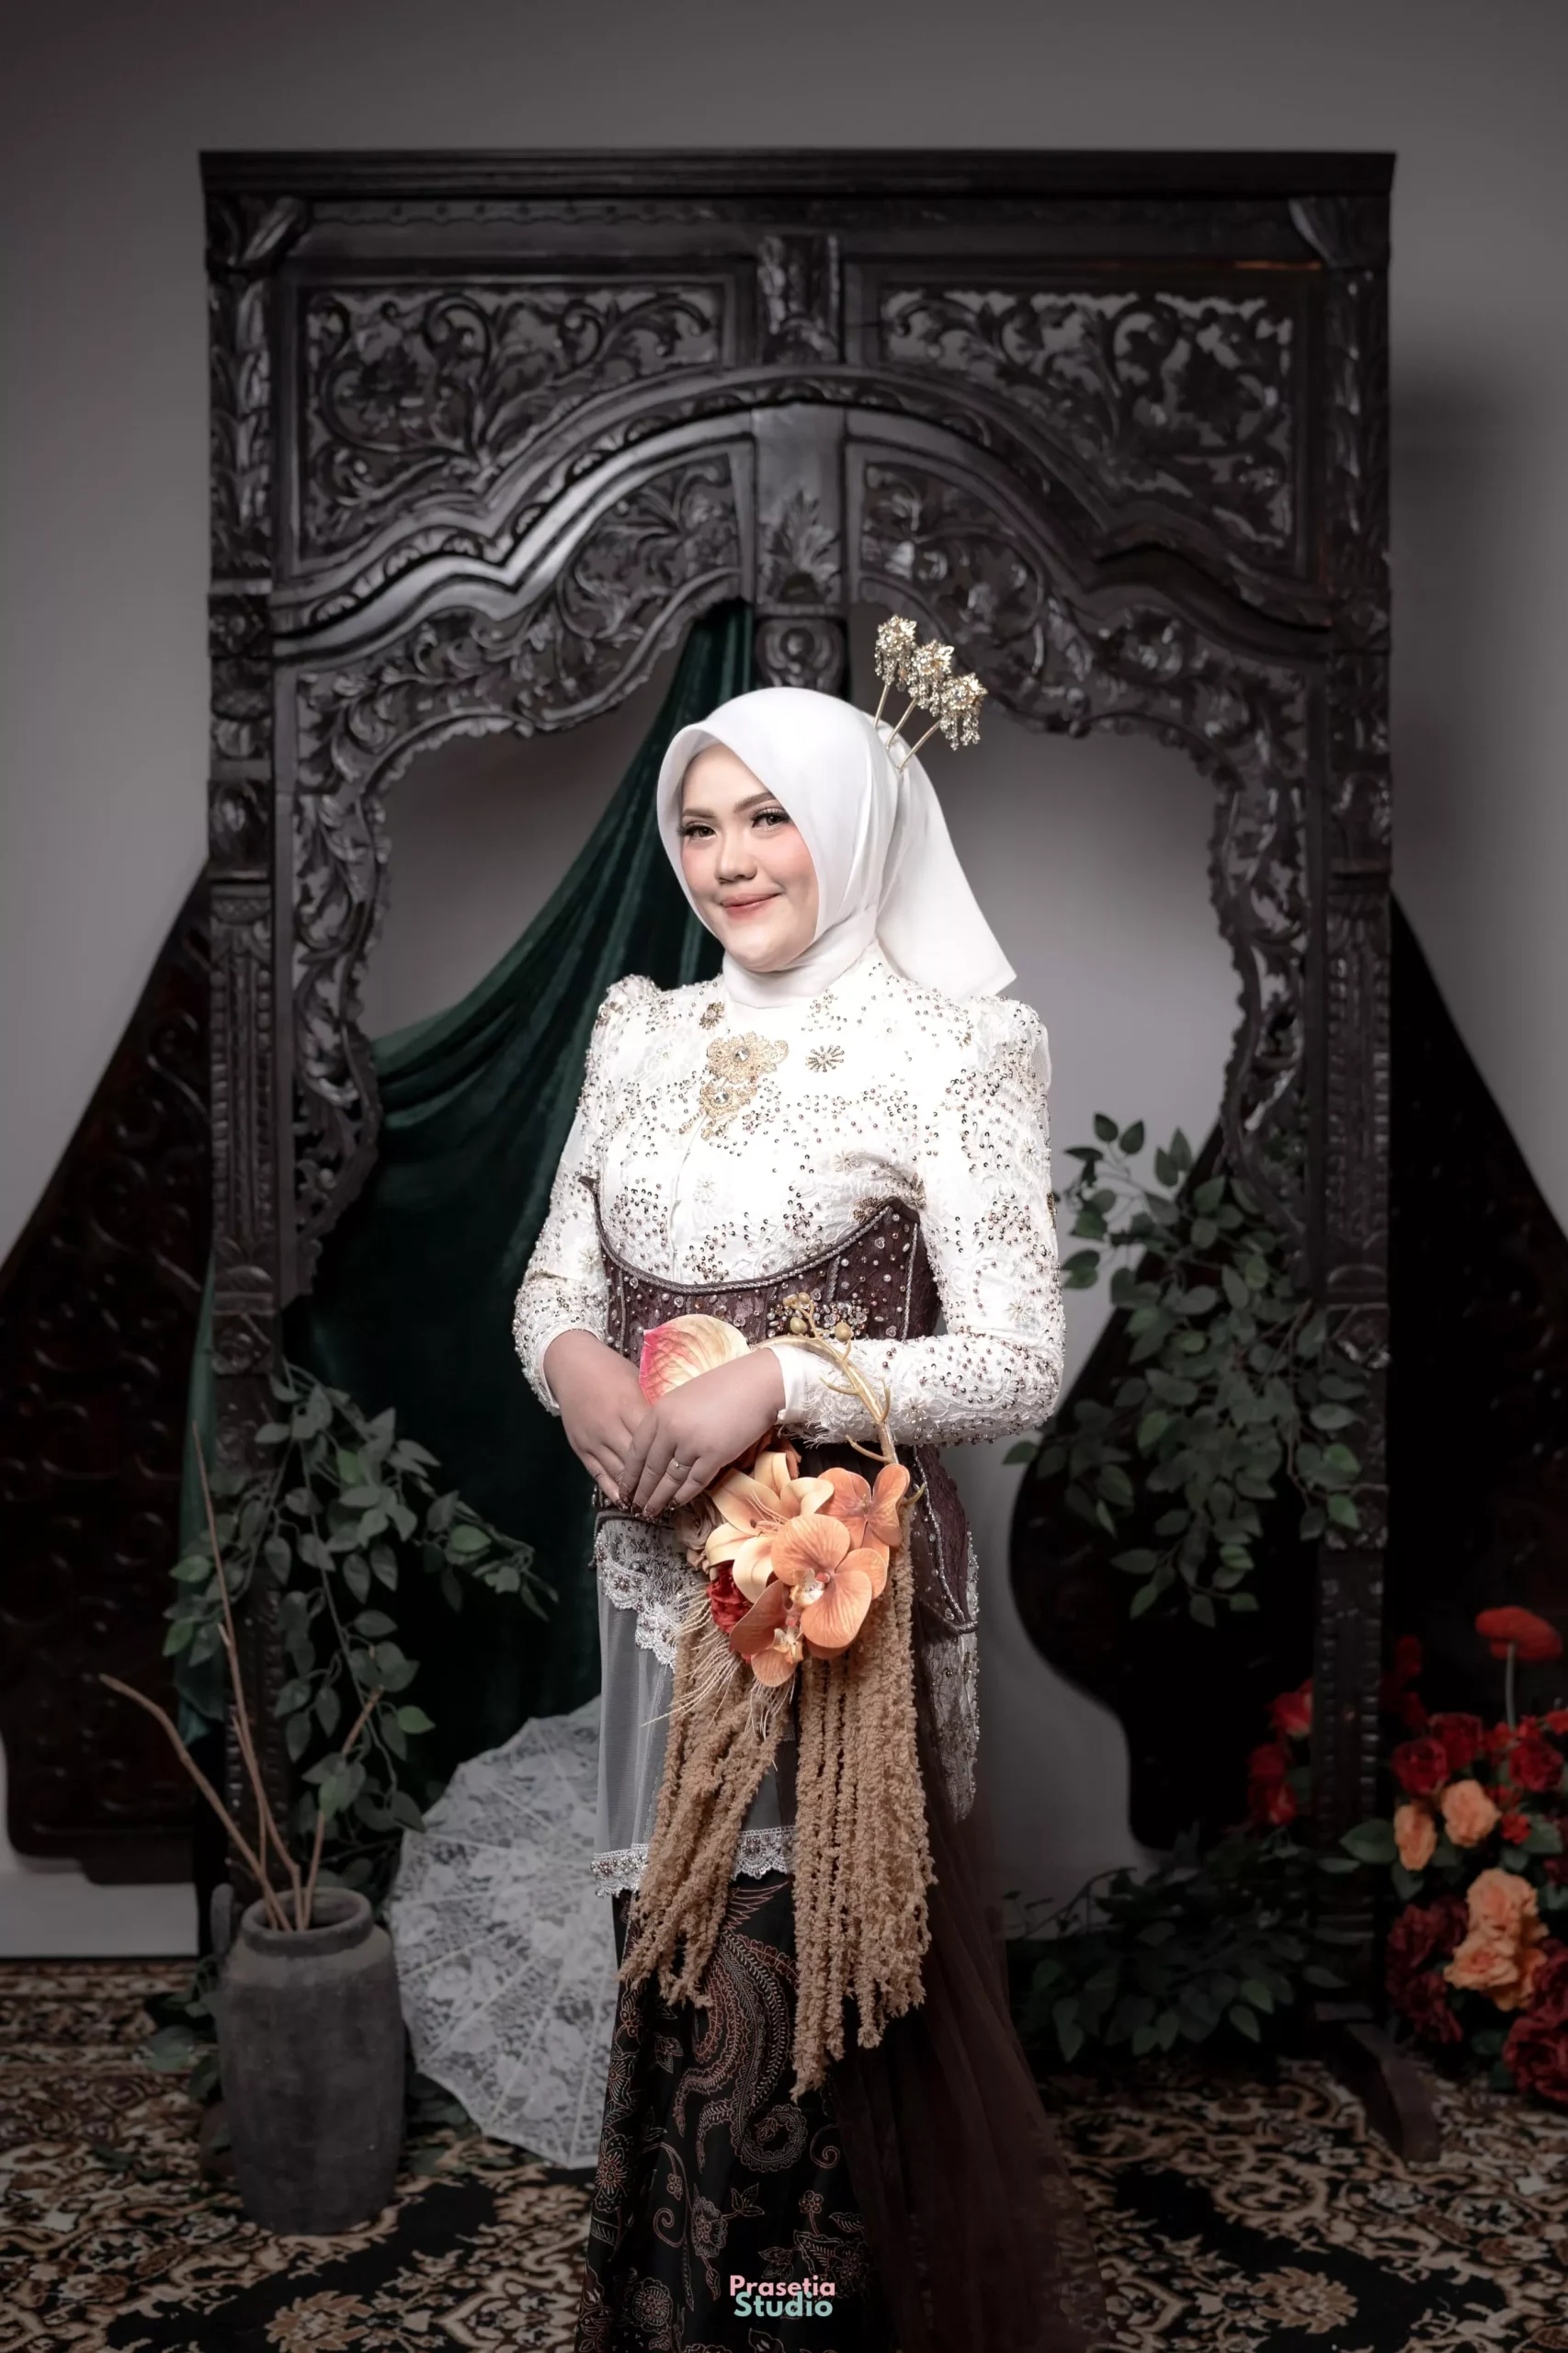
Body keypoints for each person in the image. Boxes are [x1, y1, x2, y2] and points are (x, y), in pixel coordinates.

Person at [513, 642, 1105, 2352]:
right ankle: (685, 2313)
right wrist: (577, 1373)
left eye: (769, 817)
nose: (729, 860)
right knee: (678, 1949)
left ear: (852, 823)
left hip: (833, 1604)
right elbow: (552, 1283)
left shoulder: (952, 1048)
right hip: (654, 1594)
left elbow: (1016, 1361)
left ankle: (800, 2317)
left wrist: (775, 1381)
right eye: (698, 826)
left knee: (813, 1985)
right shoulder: (645, 1031)